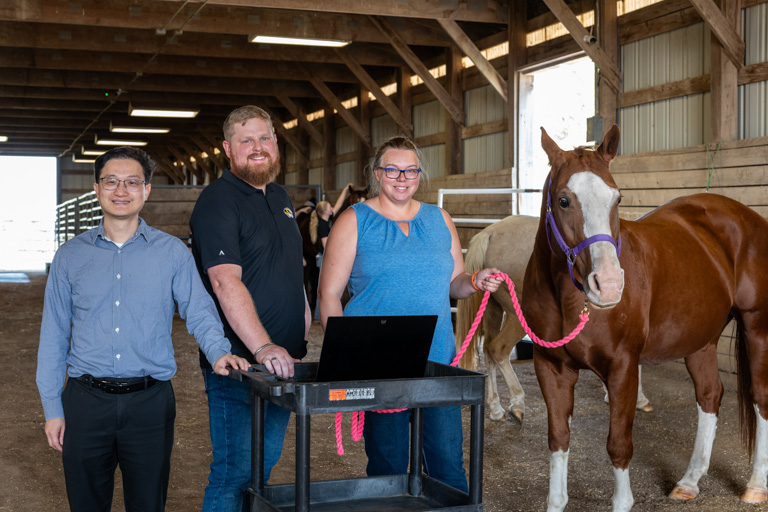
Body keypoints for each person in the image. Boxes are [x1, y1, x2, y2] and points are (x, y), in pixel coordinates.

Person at [36, 146, 249, 512]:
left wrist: (218, 350)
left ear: (147, 190)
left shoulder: (172, 253)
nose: (122, 191)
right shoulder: (70, 257)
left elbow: (199, 310)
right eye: (112, 182)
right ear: (97, 189)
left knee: (148, 503)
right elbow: (54, 335)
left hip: (150, 402)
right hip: (86, 402)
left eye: (132, 182)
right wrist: (53, 407)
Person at [317, 135, 503, 492]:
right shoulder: (354, 221)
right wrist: (348, 353)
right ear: (376, 174)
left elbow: (454, 284)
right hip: (379, 363)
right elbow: (328, 295)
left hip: (437, 359)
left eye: (410, 170)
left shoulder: (439, 219)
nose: (402, 178)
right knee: (389, 468)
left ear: (420, 175)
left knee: (448, 465)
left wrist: (475, 282)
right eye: (392, 170)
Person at [189, 105, 311, 511]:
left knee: (262, 470)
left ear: (276, 143)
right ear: (228, 148)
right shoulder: (218, 201)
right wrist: (263, 347)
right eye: (246, 140)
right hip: (241, 367)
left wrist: (304, 320)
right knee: (234, 473)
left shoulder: (279, 196)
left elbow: (292, 266)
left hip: (283, 363)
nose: (257, 148)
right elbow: (225, 281)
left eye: (264, 138)